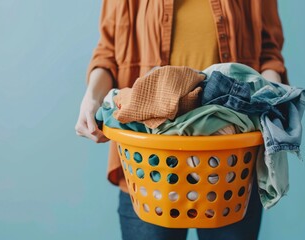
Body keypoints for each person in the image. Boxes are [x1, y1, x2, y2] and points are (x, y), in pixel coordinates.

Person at [75, 0, 288, 239]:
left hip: (232, 165)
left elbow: (269, 54)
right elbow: (108, 55)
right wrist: (91, 99)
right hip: (148, 165)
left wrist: (270, 99)